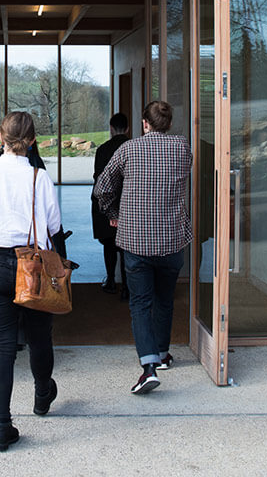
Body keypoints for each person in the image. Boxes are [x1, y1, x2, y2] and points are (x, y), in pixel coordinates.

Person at [0, 111, 63, 451]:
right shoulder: (40, 177)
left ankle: (1, 427)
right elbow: (53, 226)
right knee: (40, 337)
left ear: (0, 139)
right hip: (33, 265)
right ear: (33, 140)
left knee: (3, 347)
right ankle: (42, 396)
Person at [92, 100, 192, 394]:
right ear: (169, 124)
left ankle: (148, 366)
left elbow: (103, 188)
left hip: (135, 239)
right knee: (165, 299)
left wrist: (113, 215)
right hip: (172, 239)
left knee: (140, 303)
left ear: (145, 124)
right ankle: (162, 354)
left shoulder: (128, 149)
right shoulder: (182, 148)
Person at [91, 113, 130, 296]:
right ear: (128, 128)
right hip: (127, 202)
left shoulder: (103, 149)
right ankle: (127, 287)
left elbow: (97, 178)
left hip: (107, 202)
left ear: (111, 128)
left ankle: (111, 281)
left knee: (109, 243)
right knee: (126, 247)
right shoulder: (133, 148)